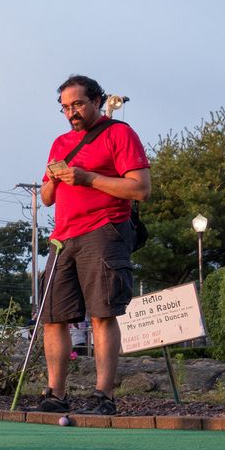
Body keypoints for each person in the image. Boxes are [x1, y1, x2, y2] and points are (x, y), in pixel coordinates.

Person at [37, 74, 151, 415]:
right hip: (63, 238)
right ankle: (55, 393)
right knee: (53, 317)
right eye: (65, 107)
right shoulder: (59, 143)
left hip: (104, 231)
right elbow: (45, 198)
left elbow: (140, 189)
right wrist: (54, 179)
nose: (71, 112)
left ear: (97, 101)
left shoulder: (120, 134)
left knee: (102, 314)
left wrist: (89, 178)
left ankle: (104, 395)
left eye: (77, 104)